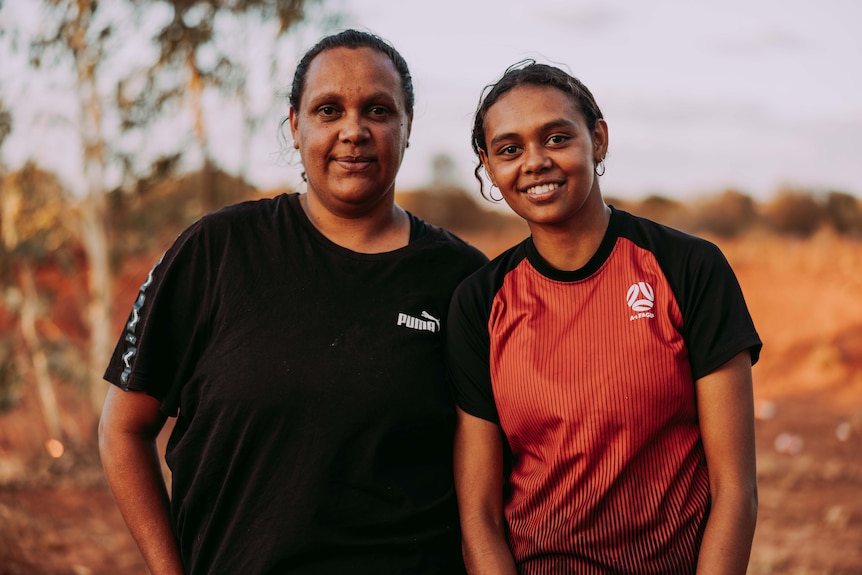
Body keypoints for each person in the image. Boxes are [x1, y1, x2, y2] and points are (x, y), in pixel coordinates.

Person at [98, 29, 487, 575]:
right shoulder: (219, 250)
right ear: (295, 125)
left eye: (378, 110)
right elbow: (122, 428)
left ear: (406, 126)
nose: (354, 130)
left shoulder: (464, 280)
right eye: (329, 110)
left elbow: (492, 482)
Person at [447, 60, 762, 575]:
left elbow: (736, 491)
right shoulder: (481, 302)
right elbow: (479, 518)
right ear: (488, 165)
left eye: (556, 138)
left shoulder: (688, 269)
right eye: (509, 149)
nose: (534, 162)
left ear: (598, 139)